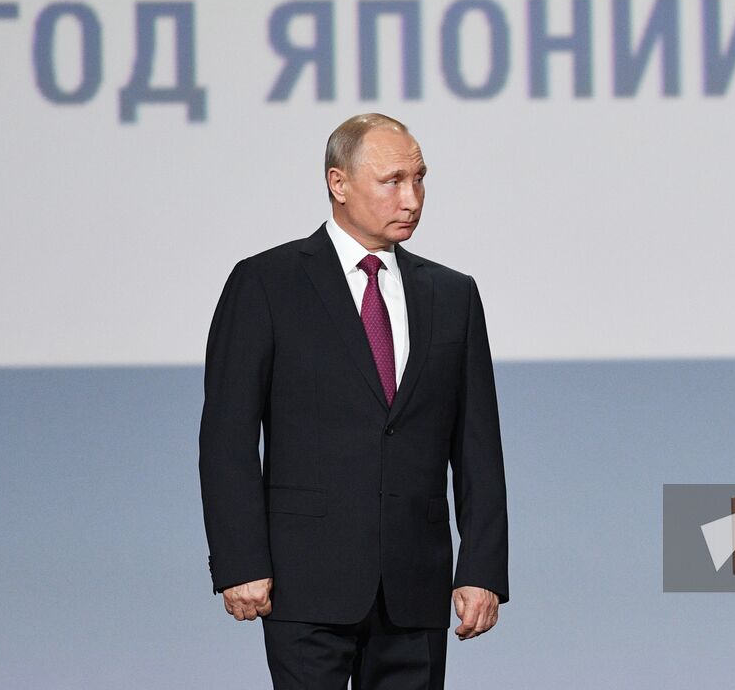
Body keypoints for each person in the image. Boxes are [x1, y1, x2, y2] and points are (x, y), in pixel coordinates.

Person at [199, 113, 508, 690]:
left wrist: (483, 570)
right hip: (304, 582)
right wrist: (241, 562)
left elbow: (477, 447)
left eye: (419, 179)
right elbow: (227, 437)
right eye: (393, 180)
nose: (411, 198)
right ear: (338, 184)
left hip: (416, 588)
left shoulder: (453, 294)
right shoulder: (266, 283)